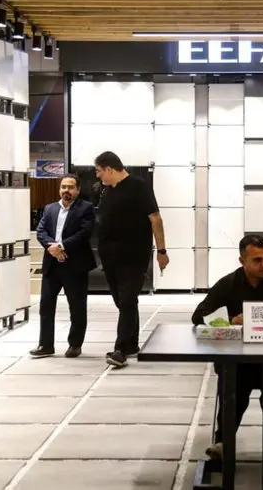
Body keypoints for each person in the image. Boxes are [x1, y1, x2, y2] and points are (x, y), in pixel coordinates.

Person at [192, 234, 263, 462]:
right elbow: (199, 315)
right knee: (231, 383)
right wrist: (230, 320)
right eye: (257, 260)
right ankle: (224, 442)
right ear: (242, 261)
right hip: (238, 359)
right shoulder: (228, 284)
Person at [94, 151, 169, 368]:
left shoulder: (139, 186)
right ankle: (132, 344)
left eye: (99, 171)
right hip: (110, 256)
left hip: (133, 255)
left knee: (127, 300)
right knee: (123, 301)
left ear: (109, 168)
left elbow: (155, 218)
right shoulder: (108, 190)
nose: (98, 176)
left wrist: (161, 251)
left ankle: (120, 350)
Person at [30, 174, 97, 358]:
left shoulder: (86, 208)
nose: (66, 190)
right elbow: (41, 231)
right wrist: (51, 247)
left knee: (77, 307)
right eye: (63, 187)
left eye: (70, 187)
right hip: (52, 264)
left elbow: (84, 233)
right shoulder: (50, 208)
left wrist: (61, 246)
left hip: (75, 265)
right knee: (46, 306)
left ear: (77, 190)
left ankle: (75, 344)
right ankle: (45, 345)